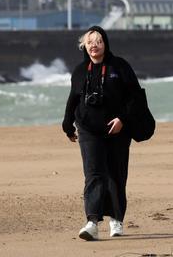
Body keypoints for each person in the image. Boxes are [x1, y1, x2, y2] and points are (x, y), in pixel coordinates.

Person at [62, 25, 141, 241]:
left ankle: (116, 219)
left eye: (98, 41)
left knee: (116, 175)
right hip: (88, 130)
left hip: (117, 129)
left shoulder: (120, 66)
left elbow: (135, 97)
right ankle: (92, 222)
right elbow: (73, 99)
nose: (94, 46)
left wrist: (123, 119)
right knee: (94, 174)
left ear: (105, 44)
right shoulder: (80, 71)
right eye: (89, 42)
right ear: (84, 47)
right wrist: (67, 124)